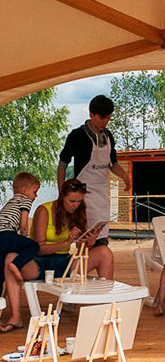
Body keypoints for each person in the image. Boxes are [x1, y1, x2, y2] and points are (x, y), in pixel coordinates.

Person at [1, 178, 106, 333]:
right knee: (11, 258)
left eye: (79, 201)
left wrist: (89, 243)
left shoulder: (78, 212)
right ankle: (16, 317)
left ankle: (105, 311)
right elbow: (38, 249)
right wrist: (67, 242)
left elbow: (79, 251)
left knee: (104, 253)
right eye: (72, 201)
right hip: (40, 262)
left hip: (64, 263)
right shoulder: (44, 210)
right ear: (62, 196)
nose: (75, 205)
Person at [57, 94, 131, 275]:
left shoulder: (108, 136)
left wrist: (124, 175)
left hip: (102, 197)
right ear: (91, 114)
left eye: (108, 118)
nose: (105, 122)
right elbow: (63, 164)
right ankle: (78, 282)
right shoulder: (77, 135)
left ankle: (98, 285)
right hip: (82, 197)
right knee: (85, 244)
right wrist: (62, 193)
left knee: (102, 241)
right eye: (102, 118)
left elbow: (113, 164)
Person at [0, 172, 41, 330]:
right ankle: (16, 265)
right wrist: (24, 236)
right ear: (24, 190)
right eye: (35, 192)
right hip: (7, 234)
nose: (36, 196)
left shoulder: (10, 201)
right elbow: (23, 225)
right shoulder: (24, 200)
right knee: (33, 246)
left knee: (1, 277)